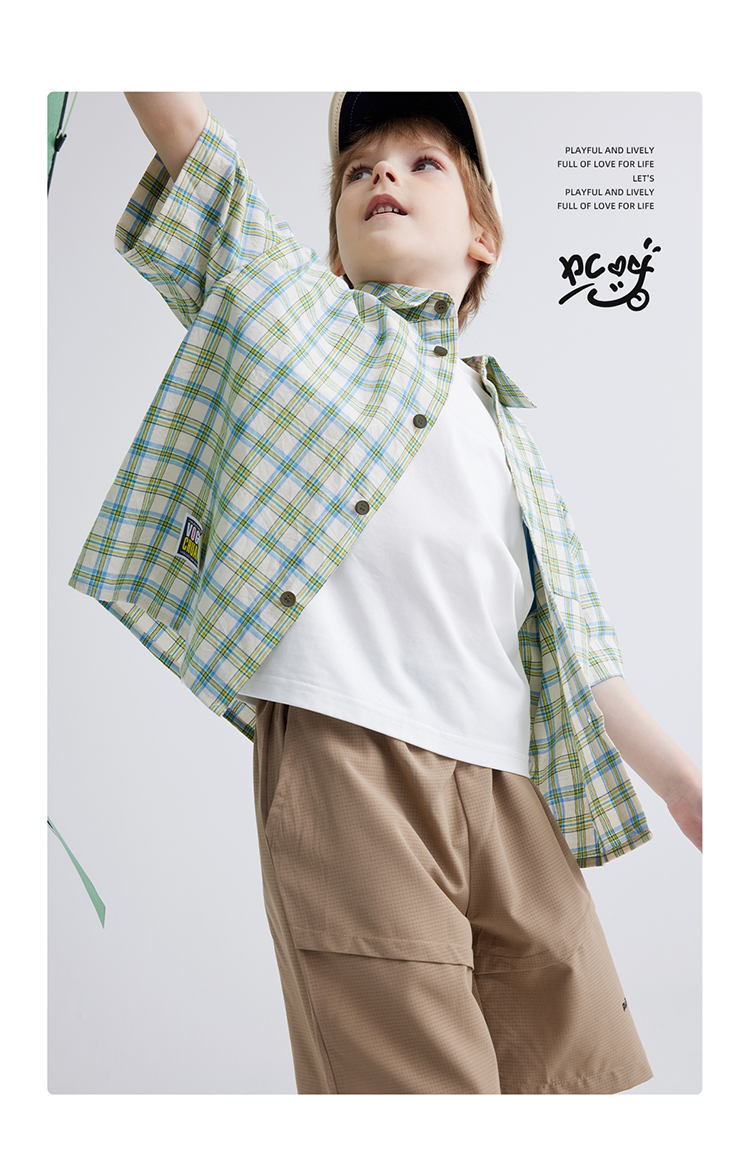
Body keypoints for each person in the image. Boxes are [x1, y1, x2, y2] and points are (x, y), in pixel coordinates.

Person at [69, 91, 702, 1094]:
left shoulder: (507, 429)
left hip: (514, 787)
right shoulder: (292, 317)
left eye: (421, 163)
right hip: (351, 764)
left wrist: (682, 782)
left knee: (571, 1087)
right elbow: (190, 143)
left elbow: (582, 647)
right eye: (357, 171)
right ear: (332, 247)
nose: (382, 178)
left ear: (484, 233)